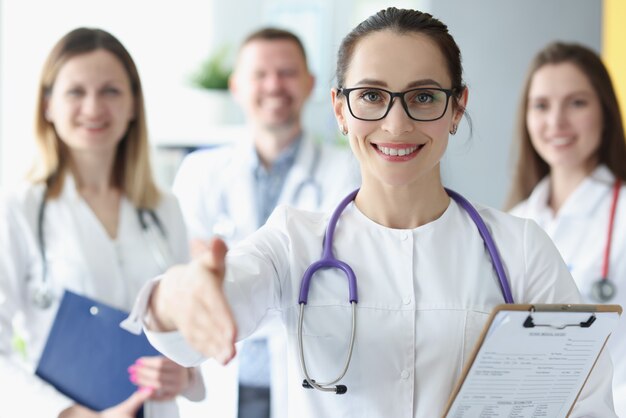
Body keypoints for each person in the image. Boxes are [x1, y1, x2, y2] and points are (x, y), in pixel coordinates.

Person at [126, 8, 616, 417]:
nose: (396, 123)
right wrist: (178, 294)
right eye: (372, 97)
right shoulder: (292, 243)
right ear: (340, 109)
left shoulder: (523, 248)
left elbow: (586, 403)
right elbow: (189, 329)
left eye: (424, 97)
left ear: (457, 107)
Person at [0, 28, 205, 417]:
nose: (94, 108)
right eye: (76, 92)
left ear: (132, 106)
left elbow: (187, 332)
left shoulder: (164, 209)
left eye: (110, 91)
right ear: (48, 105)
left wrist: (187, 375)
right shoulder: (18, 208)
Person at [172, 28, 359, 418]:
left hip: (310, 374)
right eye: (260, 74)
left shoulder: (348, 173)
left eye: (287, 72)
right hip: (221, 376)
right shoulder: (199, 172)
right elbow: (188, 274)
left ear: (309, 84)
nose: (274, 85)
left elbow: (337, 282)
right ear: (236, 86)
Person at [506, 41, 626, 415]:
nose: (556, 122)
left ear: (605, 111)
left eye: (576, 103)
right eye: (541, 105)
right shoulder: (514, 221)